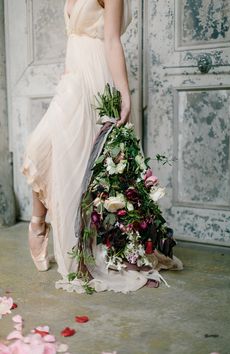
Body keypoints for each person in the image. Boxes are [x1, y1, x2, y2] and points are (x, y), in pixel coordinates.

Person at [21, 0, 182, 294]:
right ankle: (38, 224)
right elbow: (74, 39)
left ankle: (68, 235)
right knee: (43, 147)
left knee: (87, 166)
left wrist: (124, 93)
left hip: (97, 82)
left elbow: (111, 42)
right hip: (74, 81)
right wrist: (68, 74)